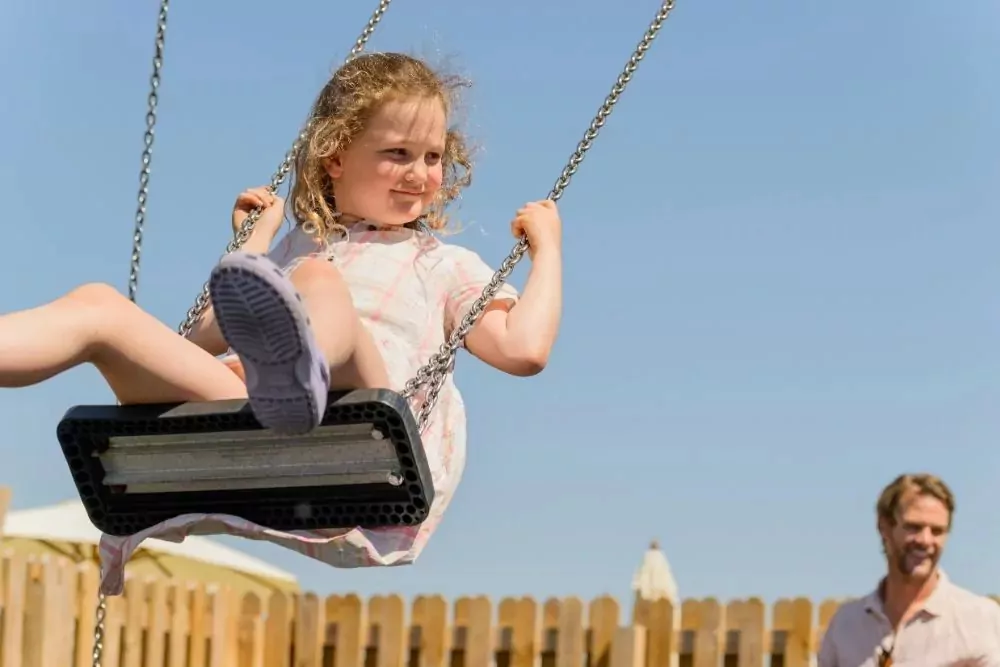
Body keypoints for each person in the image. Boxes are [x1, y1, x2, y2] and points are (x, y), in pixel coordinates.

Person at [0, 52, 562, 594]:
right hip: (247, 416)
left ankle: (301, 376)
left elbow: (523, 349)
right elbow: (193, 342)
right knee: (98, 306)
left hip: (359, 434)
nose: (419, 174)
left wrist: (549, 250)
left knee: (317, 281)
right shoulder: (292, 251)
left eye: (432, 157)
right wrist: (255, 243)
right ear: (336, 156)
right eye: (398, 153)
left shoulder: (442, 265)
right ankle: (286, 381)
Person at [817, 473, 1000, 666]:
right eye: (914, 527)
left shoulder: (981, 621)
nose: (925, 540)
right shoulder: (846, 625)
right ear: (884, 527)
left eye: (937, 531)